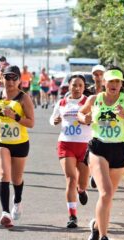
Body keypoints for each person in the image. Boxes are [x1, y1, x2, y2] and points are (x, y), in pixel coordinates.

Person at [77, 67, 124, 240]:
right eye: (111, 81)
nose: (114, 84)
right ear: (104, 82)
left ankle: (95, 225)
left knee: (108, 197)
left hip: (119, 149)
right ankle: (103, 236)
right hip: (99, 147)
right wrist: (83, 118)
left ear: (121, 83)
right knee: (106, 193)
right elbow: (81, 113)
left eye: (117, 81)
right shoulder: (94, 99)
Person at [0, 65, 34, 228]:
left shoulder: (23, 98)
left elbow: (31, 123)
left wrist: (15, 117)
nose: (11, 81)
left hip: (20, 143)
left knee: (17, 179)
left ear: (20, 80)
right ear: (2, 79)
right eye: (7, 77)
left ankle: (17, 201)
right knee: (3, 175)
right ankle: (5, 213)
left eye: (14, 78)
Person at [49, 74, 91, 228]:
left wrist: (89, 119)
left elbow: (97, 120)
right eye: (74, 85)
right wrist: (55, 121)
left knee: (82, 183)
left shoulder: (89, 102)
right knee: (70, 179)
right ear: (69, 86)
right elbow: (52, 119)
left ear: (84, 87)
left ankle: (81, 191)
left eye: (80, 85)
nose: (77, 88)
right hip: (66, 144)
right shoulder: (62, 102)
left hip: (85, 146)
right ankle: (72, 216)